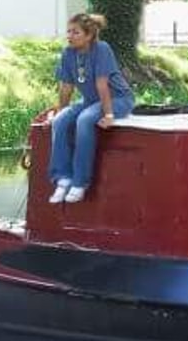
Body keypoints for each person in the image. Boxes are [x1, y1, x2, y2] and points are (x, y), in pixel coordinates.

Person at [47, 13, 135, 204]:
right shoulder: (68, 53)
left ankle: (80, 182)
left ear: (88, 36)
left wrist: (110, 114)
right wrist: (61, 110)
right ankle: (62, 178)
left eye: (75, 32)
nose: (70, 36)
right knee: (60, 121)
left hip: (117, 98)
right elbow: (66, 87)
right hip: (90, 99)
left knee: (85, 119)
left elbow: (102, 84)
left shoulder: (102, 49)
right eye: (68, 31)